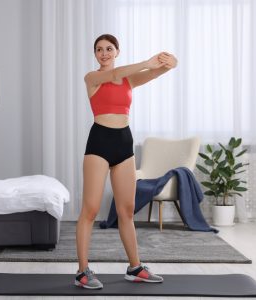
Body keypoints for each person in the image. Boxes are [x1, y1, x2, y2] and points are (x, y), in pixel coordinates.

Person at [74, 34, 178, 289]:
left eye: (109, 48)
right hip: (99, 142)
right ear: (95, 54)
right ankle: (82, 271)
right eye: (99, 49)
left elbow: (155, 73)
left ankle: (135, 267)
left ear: (117, 51)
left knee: (127, 210)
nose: (104, 53)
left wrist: (170, 62)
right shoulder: (92, 78)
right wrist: (146, 61)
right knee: (90, 209)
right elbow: (115, 74)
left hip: (124, 143)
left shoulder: (129, 79)